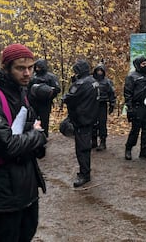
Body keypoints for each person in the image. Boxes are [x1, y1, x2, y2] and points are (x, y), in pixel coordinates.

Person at [0, 43, 47, 242]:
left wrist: (34, 138)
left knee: (26, 235)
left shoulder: (21, 92)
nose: (28, 73)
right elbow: (7, 146)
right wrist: (37, 136)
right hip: (2, 192)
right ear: (6, 68)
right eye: (21, 68)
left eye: (30, 67)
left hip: (27, 187)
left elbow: (27, 128)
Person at [62, 59, 100, 187]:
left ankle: (85, 174)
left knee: (82, 149)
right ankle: (85, 171)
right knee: (85, 146)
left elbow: (69, 98)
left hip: (81, 119)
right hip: (90, 118)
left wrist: (68, 93)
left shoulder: (80, 84)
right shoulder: (94, 81)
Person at [124, 56, 146, 160]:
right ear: (138, 65)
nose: (145, 65)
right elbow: (127, 92)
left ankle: (144, 150)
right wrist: (129, 107)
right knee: (135, 130)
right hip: (136, 107)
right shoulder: (132, 76)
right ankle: (128, 149)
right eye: (143, 64)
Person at [28, 59, 61, 138]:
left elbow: (57, 89)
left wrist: (49, 91)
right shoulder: (32, 77)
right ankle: (34, 136)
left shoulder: (51, 77)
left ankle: (44, 136)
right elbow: (26, 89)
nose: (37, 68)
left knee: (44, 120)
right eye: (36, 67)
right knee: (33, 119)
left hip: (45, 103)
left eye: (39, 67)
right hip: (33, 103)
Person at [91, 63, 116, 151]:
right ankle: (93, 141)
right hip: (92, 105)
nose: (99, 72)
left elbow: (111, 93)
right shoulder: (91, 81)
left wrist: (112, 104)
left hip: (102, 104)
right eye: (98, 70)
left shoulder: (107, 82)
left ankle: (103, 142)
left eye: (101, 70)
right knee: (92, 123)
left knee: (102, 123)